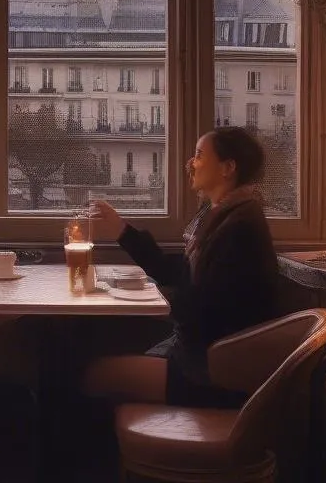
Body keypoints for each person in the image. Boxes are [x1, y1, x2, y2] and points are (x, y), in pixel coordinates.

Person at [85, 127, 279, 408]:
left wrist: (142, 300)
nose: (190, 163)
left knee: (94, 375)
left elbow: (199, 307)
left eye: (199, 155)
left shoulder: (239, 226)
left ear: (228, 168)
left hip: (211, 373)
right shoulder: (225, 214)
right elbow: (180, 274)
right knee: (100, 347)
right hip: (201, 354)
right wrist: (122, 230)